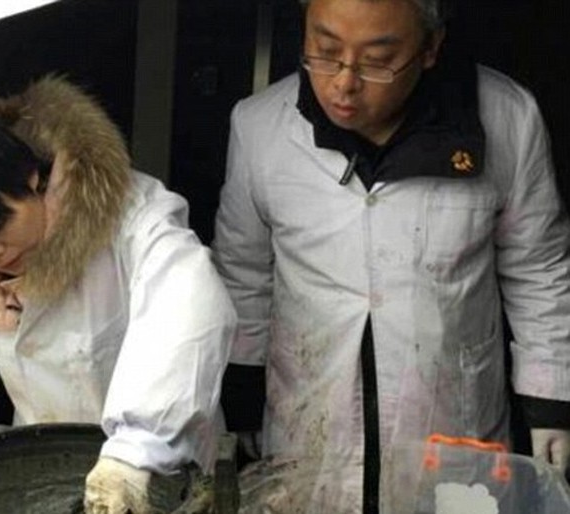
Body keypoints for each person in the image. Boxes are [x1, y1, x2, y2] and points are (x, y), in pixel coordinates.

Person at [213, 0, 570, 511]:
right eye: (325, 51)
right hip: (307, 424)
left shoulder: (507, 118)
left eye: (377, 61)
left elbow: (538, 267)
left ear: (430, 47)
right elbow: (243, 271)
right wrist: (241, 393)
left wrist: (549, 399)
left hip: (452, 428)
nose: (344, 83)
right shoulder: (259, 127)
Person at [0, 76, 236, 513]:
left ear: (29, 177)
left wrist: (135, 452)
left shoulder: (131, 218)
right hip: (43, 477)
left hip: (163, 474)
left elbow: (188, 306)